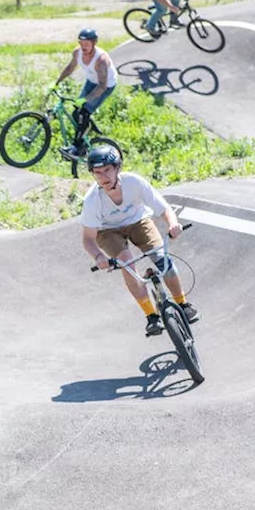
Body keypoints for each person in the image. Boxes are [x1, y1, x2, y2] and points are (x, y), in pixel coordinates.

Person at [80, 144, 198, 337]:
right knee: (126, 262)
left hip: (138, 221)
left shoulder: (134, 182)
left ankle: (183, 304)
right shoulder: (92, 200)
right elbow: (88, 239)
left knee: (162, 258)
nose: (103, 177)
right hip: (107, 230)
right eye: (97, 173)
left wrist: (173, 224)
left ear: (118, 167)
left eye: (107, 170)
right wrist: (98, 256)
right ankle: (151, 316)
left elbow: (163, 208)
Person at [55, 27, 118, 156]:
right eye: (81, 44)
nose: (83, 47)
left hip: (105, 85)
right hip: (91, 81)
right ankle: (88, 126)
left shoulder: (101, 60)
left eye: (87, 44)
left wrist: (86, 99)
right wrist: (56, 83)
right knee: (76, 113)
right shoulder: (77, 53)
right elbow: (70, 68)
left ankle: (77, 149)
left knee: (84, 112)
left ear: (94, 43)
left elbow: (102, 86)